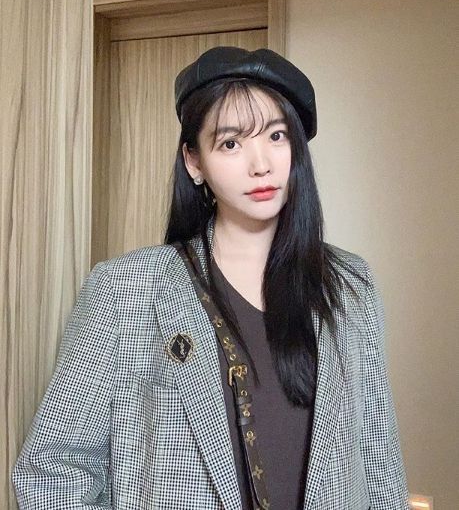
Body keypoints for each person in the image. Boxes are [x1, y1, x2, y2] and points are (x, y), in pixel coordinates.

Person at [12, 46, 409, 509]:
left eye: (276, 135)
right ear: (194, 162)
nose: (261, 164)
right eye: (231, 143)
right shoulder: (126, 289)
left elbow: (379, 463)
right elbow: (52, 470)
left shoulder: (350, 285)